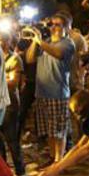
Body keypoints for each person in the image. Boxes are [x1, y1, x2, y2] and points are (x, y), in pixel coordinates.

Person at [27, 13, 75, 164]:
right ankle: (52, 157)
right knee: (49, 130)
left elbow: (58, 54)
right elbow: (29, 59)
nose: (53, 27)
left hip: (58, 93)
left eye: (58, 24)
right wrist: (36, 42)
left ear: (66, 27)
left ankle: (59, 160)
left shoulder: (67, 43)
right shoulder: (44, 42)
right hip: (42, 93)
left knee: (59, 130)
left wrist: (40, 42)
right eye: (51, 24)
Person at [0, 32, 27, 176]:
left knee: (12, 140)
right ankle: (2, 172)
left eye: (0, 40)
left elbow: (14, 82)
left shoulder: (14, 59)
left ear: (7, 42)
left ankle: (20, 172)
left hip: (10, 105)